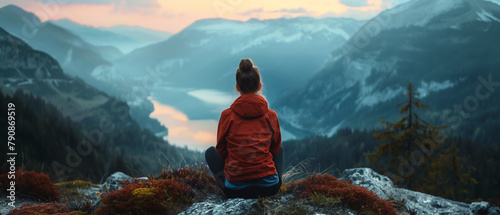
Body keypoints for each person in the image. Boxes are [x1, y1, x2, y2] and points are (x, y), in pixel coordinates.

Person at [205, 58, 283, 199]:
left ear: (237, 87)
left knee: (210, 153)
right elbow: (275, 149)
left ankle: (231, 183)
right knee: (280, 149)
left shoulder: (227, 116)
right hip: (270, 188)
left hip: (235, 191)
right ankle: (275, 181)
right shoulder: (271, 116)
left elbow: (221, 152)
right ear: (259, 86)